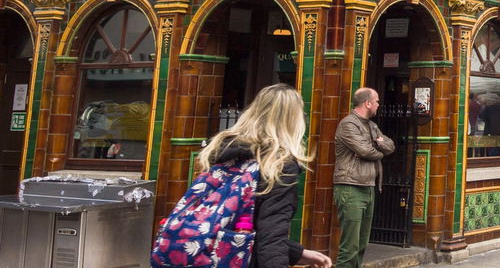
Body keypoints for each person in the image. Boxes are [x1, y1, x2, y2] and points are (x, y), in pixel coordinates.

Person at [155, 84, 331, 268]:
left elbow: (235, 225)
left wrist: (297, 253)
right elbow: (271, 236)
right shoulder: (277, 164)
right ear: (293, 120)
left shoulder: (223, 151)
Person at [334, 87, 395, 268]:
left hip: (368, 187)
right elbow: (365, 151)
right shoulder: (348, 124)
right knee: (350, 247)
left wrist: (378, 146)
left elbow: (391, 145)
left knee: (361, 244)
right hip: (350, 187)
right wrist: (379, 149)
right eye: (376, 101)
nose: (378, 105)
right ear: (368, 103)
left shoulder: (372, 126)